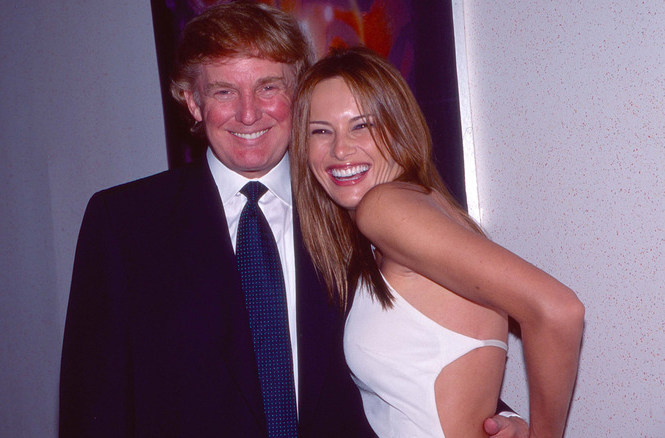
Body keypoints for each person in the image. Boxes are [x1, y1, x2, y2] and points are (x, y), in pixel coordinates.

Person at [59, 2, 530, 437]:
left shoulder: (354, 205)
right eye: (224, 91)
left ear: (298, 94)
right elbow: (93, 402)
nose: (248, 113)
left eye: (269, 87)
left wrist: (496, 418)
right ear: (193, 103)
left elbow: (421, 338)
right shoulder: (125, 224)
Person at [290, 46, 585, 437]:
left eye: (362, 125)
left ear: (399, 126)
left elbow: (558, 310)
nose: (340, 149)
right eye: (321, 131)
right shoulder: (427, 208)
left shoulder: (384, 208)